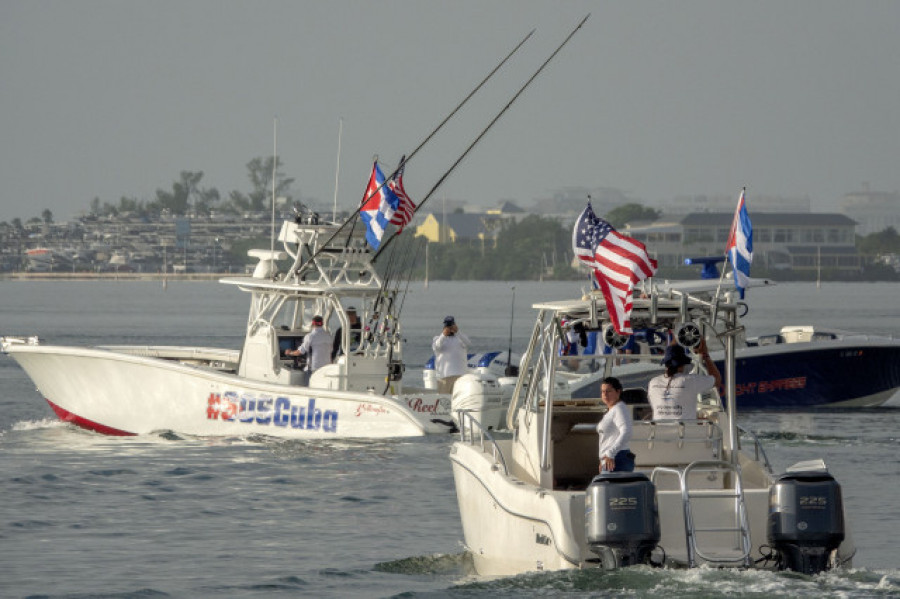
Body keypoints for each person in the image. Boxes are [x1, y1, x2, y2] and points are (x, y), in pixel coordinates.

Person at [647, 338, 722, 421]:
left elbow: (671, 350)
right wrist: (705, 355)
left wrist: (676, 337)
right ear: (682, 364)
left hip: (659, 431)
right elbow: (717, 379)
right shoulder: (690, 381)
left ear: (666, 364)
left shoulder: (653, 382)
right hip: (685, 432)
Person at [597, 376, 634, 473]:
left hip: (617, 459)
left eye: (608, 391)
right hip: (610, 459)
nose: (605, 394)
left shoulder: (619, 409)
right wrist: (603, 459)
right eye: (602, 391)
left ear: (618, 391)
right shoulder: (612, 410)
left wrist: (610, 454)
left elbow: (627, 432)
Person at [431, 315, 470, 394]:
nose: (449, 328)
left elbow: (468, 343)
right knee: (444, 399)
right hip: (445, 376)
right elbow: (436, 347)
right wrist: (443, 335)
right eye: (447, 326)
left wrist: (457, 332)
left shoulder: (460, 338)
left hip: (461, 375)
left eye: (451, 326)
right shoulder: (437, 338)